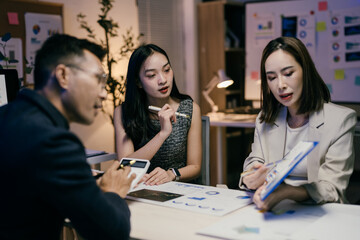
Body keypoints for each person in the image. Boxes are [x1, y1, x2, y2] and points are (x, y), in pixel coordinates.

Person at [0, 34, 136, 240]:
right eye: (99, 79)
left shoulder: (7, 116)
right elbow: (111, 232)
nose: (104, 94)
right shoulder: (54, 142)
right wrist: (114, 192)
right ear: (63, 75)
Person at [239, 36, 357, 211]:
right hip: (271, 208)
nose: (280, 85)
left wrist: (286, 192)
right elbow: (255, 160)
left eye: (288, 74)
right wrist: (250, 176)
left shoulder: (341, 120)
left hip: (320, 211)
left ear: (305, 71)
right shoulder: (265, 118)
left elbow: (333, 188)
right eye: (271, 77)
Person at [114, 44, 202, 186]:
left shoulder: (190, 109)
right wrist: (163, 134)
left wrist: (170, 174)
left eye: (166, 70)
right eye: (151, 75)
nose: (163, 80)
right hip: (140, 190)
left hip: (179, 189)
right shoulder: (123, 112)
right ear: (138, 82)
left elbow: (195, 167)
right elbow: (126, 165)